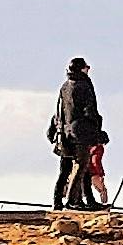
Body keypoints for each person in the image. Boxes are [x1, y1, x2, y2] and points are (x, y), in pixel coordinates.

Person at [47, 58, 107, 210]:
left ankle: (59, 202)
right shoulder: (84, 85)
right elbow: (89, 110)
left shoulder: (65, 86)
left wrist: (53, 129)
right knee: (81, 166)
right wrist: (98, 130)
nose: (88, 69)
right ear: (81, 69)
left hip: (65, 133)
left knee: (67, 169)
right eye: (86, 67)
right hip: (80, 133)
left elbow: (60, 110)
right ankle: (74, 201)